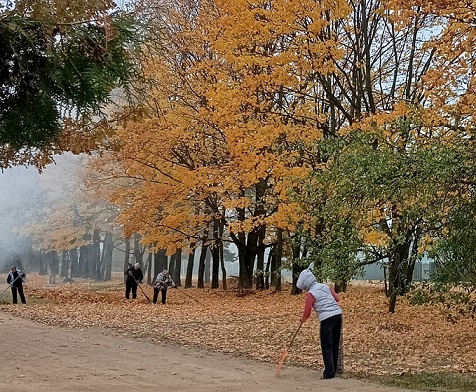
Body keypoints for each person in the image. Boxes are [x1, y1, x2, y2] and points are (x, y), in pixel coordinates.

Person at [296, 268, 342, 379]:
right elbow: (337, 298)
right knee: (335, 343)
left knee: (326, 345)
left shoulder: (310, 294)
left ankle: (329, 373)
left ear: (305, 285)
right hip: (338, 315)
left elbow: (307, 312)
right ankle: (334, 369)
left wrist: (303, 319)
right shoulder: (325, 286)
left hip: (326, 319)